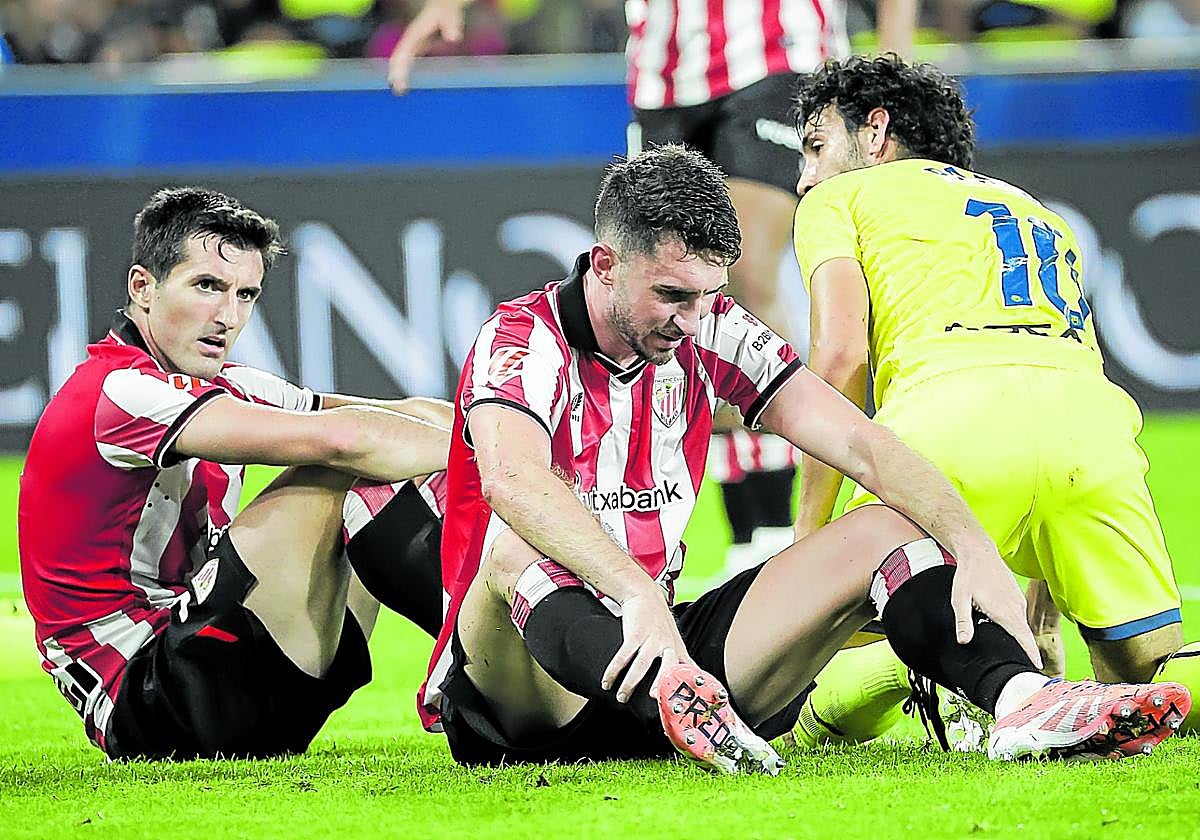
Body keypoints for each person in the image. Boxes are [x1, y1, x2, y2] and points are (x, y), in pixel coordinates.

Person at [417, 144, 1187, 773]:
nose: (692, 319)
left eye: (706, 295)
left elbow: (857, 439)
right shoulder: (519, 339)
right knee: (511, 541)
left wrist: (974, 547)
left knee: (888, 524)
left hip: (670, 651)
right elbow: (514, 482)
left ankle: (1022, 701)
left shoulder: (712, 326)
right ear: (605, 263)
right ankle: (680, 700)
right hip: (529, 691)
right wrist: (633, 593)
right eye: (672, 295)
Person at [384, 0, 919, 579]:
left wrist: (894, 54)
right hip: (661, 74)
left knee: (737, 272)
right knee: (661, 283)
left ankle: (763, 523)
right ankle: (735, 522)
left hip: (780, 54)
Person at [787, 54, 1199, 747]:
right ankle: (1082, 690)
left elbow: (840, 355)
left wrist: (808, 543)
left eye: (816, 146)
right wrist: (1043, 596)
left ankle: (908, 668)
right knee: (1155, 675)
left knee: (806, 673)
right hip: (1093, 435)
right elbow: (1054, 371)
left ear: (876, 131)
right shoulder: (1031, 207)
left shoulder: (839, 200)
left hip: (946, 431)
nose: (804, 176)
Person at [18, 187, 452, 760]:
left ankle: (499, 657)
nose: (228, 316)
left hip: (222, 668)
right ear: (142, 289)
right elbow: (350, 439)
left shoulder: (231, 385)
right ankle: (477, 667)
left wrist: (508, 439)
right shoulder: (118, 392)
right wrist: (493, 463)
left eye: (246, 294)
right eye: (207, 287)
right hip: (152, 701)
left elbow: (396, 414)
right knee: (349, 464)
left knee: (398, 450)